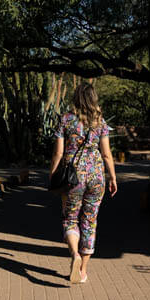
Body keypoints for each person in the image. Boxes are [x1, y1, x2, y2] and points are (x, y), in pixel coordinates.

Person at [50, 81, 117, 283]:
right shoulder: (101, 122)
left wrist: (52, 174)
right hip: (96, 177)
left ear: (76, 98)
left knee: (70, 218)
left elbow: (59, 152)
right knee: (89, 221)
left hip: (73, 178)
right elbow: (106, 154)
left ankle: (74, 255)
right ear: (94, 99)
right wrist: (113, 177)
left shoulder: (66, 120)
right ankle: (82, 272)